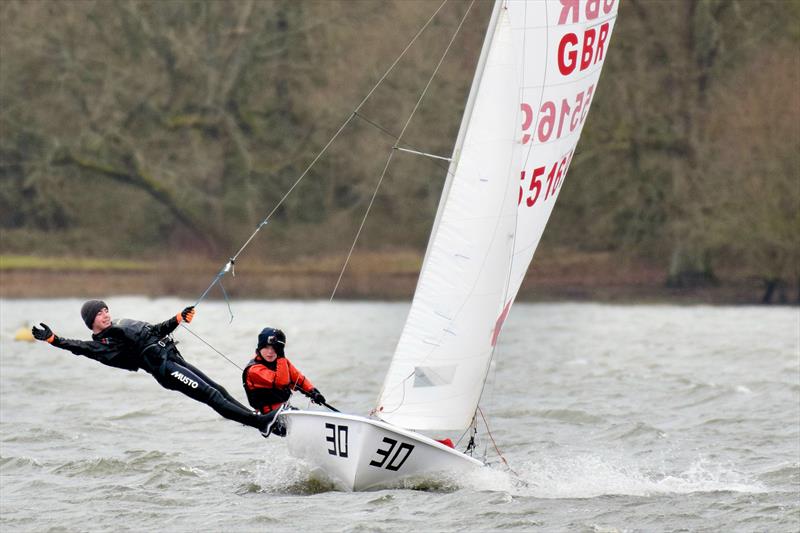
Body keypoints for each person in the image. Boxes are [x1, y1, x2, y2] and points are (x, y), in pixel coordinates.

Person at [31, 300, 278, 435]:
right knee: (210, 396)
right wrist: (55, 340)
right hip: (165, 370)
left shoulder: (123, 323)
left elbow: (155, 330)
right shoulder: (104, 343)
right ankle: (260, 423)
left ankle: (259, 420)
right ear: (91, 322)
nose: (105, 314)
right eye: (99, 313)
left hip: (173, 358)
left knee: (218, 389)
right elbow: (80, 347)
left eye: (105, 310)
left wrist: (178, 318)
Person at [242, 327, 326, 422]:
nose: (270, 352)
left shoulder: (281, 362)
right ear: (259, 348)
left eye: (275, 348)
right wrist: (281, 355)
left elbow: (298, 379)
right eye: (266, 347)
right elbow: (281, 382)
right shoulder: (254, 370)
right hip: (269, 417)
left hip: (284, 411)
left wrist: (313, 392)